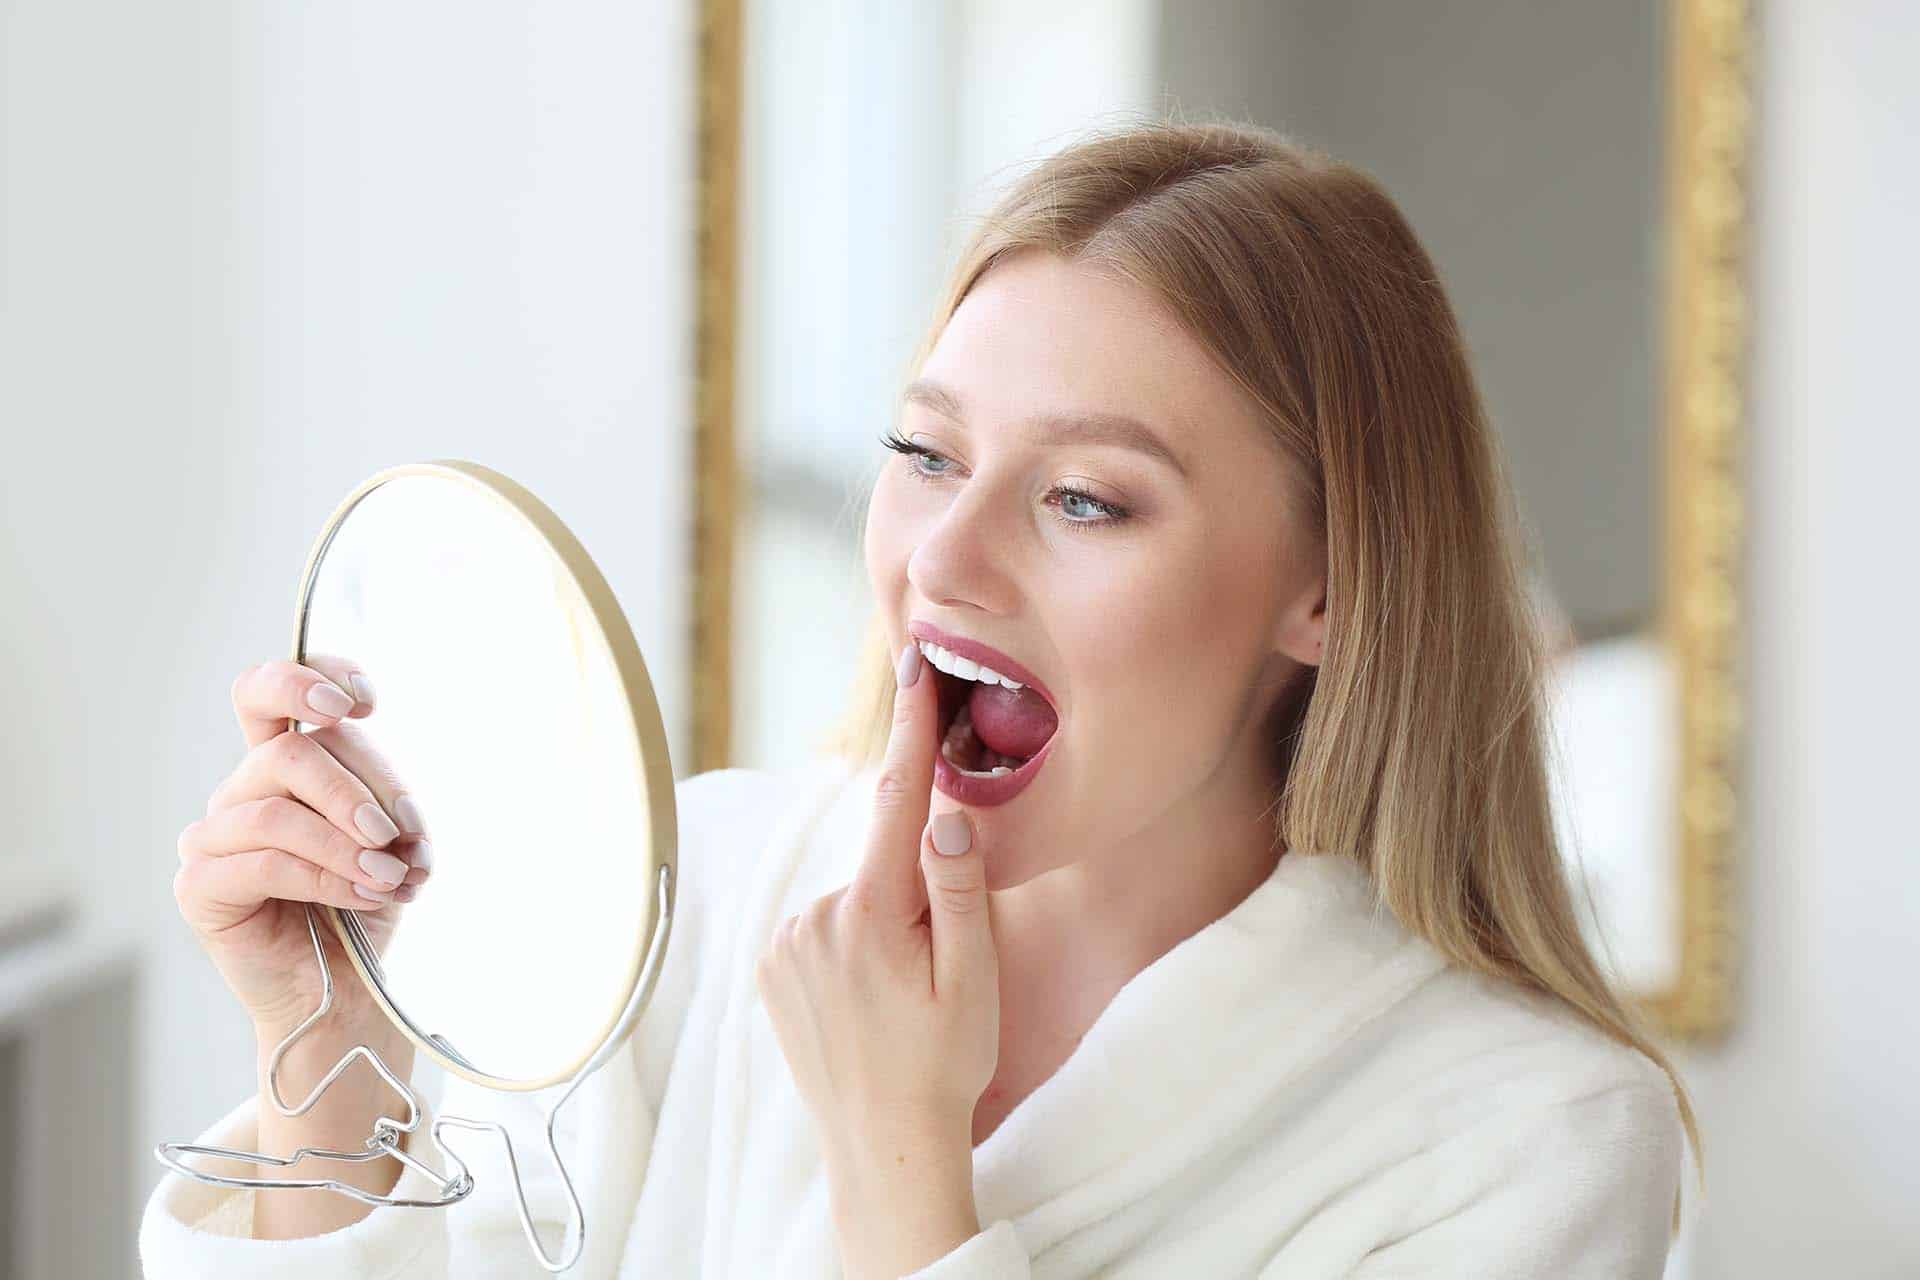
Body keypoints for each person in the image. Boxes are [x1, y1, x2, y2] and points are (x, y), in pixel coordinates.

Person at [141, 117, 1700, 1277]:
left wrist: (900, 1170)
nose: (941, 556)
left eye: (1087, 500)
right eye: (926, 456)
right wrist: (331, 1054)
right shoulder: (698, 895)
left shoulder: (1527, 1145)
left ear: (1334, 590)